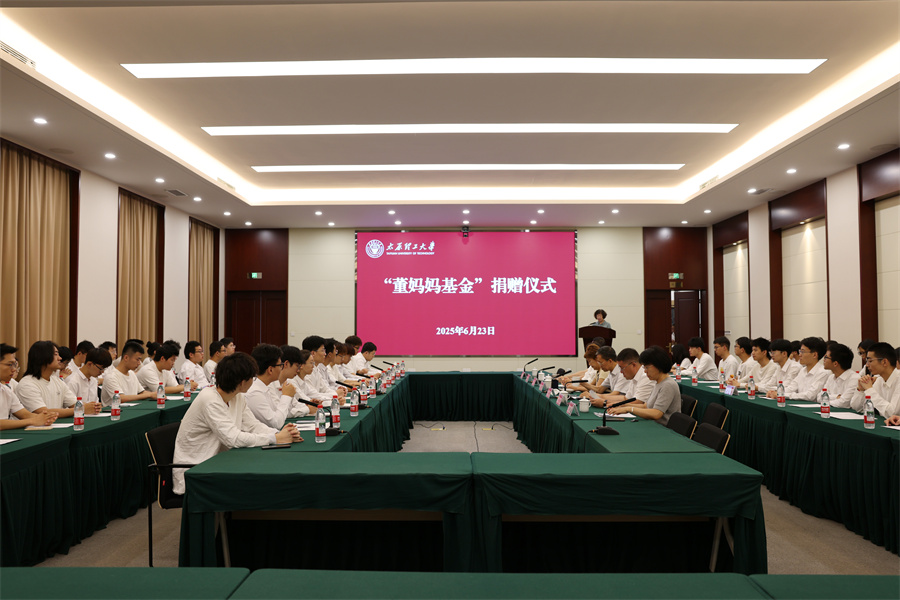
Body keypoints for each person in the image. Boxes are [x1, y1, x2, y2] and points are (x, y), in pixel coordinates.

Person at [172, 352, 302, 495]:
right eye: (252, 377)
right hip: (196, 470)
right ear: (242, 382)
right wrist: (275, 438)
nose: (254, 380)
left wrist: (281, 434)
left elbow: (252, 425)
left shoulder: (237, 396)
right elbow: (233, 438)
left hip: (219, 461)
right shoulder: (209, 399)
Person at [16, 340, 101, 417]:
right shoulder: (27, 384)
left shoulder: (57, 380)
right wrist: (81, 409)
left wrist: (92, 407)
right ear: (43, 357)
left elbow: (74, 403)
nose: (60, 358)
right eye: (56, 354)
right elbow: (43, 412)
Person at [608, 346, 681, 425]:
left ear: (658, 365)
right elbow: (646, 406)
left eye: (646, 367)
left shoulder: (668, 385)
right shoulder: (657, 382)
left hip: (663, 428)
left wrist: (629, 409)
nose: (645, 371)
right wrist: (620, 405)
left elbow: (657, 413)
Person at [0, 344, 58, 429]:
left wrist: (45, 417)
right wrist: (32, 421)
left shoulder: (5, 390)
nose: (14, 369)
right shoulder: (26, 383)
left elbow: (25, 414)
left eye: (14, 365)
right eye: (10, 364)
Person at [244, 344, 298, 429]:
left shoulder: (265, 387)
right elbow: (276, 423)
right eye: (280, 365)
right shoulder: (255, 392)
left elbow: (278, 414)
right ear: (270, 370)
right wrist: (286, 396)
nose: (281, 369)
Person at [590, 348, 655, 408]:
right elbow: (626, 398)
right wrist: (600, 397)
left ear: (633, 365)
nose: (621, 371)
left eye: (622, 368)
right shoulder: (634, 376)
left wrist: (606, 402)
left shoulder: (646, 377)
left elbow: (637, 402)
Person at [851, 343, 899, 416]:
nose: (867, 365)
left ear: (884, 362)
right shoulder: (880, 380)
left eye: (870, 361)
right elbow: (858, 408)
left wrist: (869, 389)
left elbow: (892, 413)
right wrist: (861, 390)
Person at [102, 341, 156, 405]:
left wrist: (155, 394)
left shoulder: (131, 373)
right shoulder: (111, 377)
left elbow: (142, 392)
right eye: (137, 359)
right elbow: (121, 398)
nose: (139, 363)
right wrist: (150, 395)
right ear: (126, 358)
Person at [783, 337, 829, 401]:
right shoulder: (803, 370)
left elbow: (810, 395)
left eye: (802, 352)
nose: (800, 355)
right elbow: (791, 387)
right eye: (800, 351)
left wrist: (784, 395)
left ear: (814, 355)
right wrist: (778, 392)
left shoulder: (823, 372)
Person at [819, 343, 860, 408]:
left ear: (835, 363)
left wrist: (826, 400)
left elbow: (844, 403)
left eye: (826, 357)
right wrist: (836, 396)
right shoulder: (831, 377)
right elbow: (819, 397)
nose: (824, 360)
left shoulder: (854, 378)